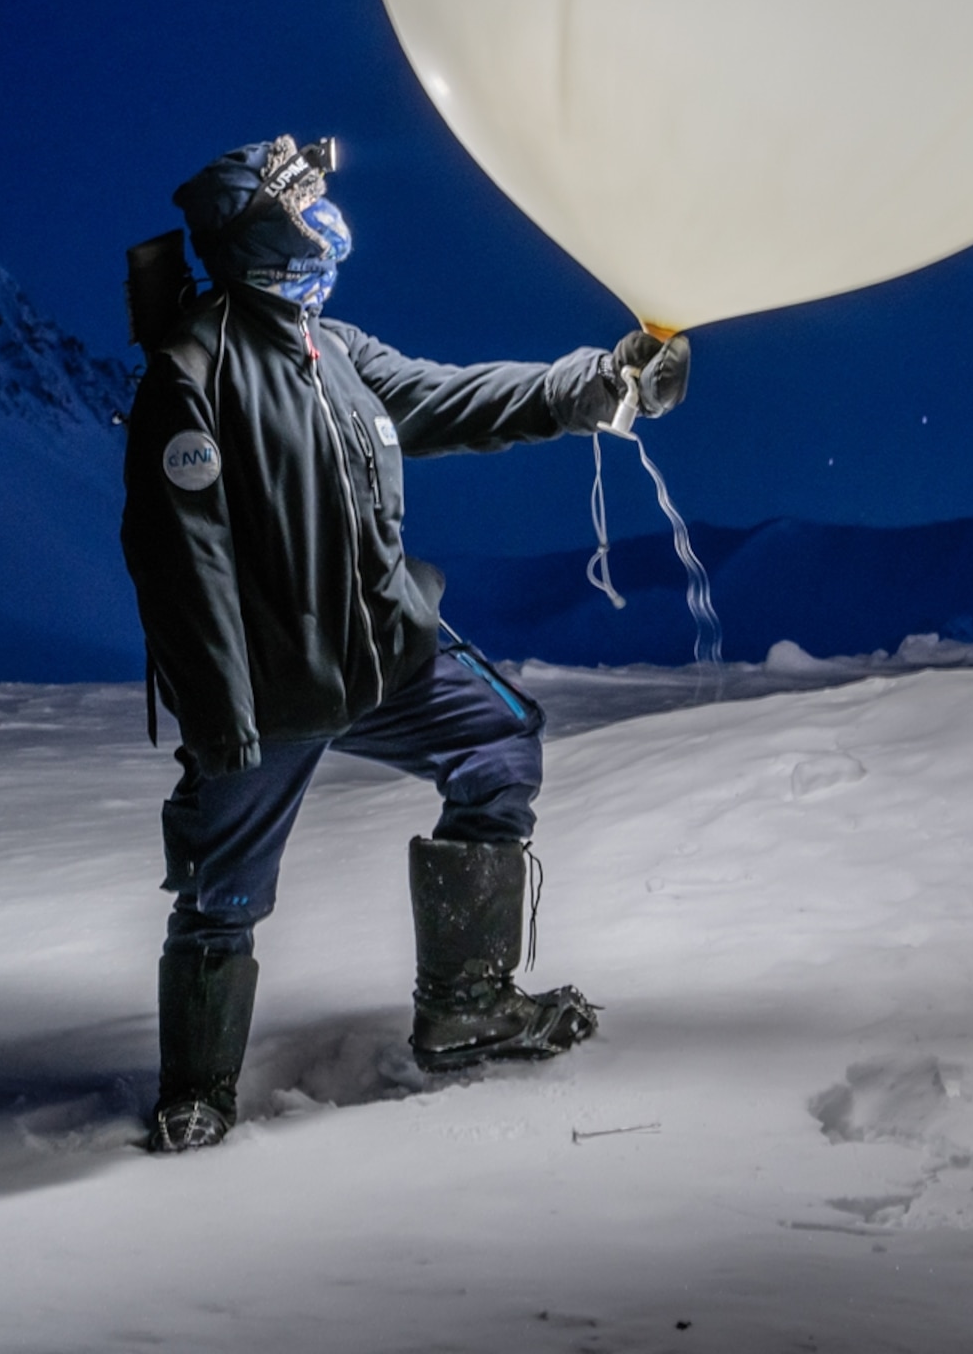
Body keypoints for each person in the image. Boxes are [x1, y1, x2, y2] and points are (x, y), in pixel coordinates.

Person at [120, 134, 690, 1155]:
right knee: (222, 890)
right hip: (265, 684)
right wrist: (220, 714)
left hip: (380, 653)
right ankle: (196, 1092)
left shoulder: (333, 348)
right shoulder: (193, 368)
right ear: (260, 224)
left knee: (500, 742)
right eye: (304, 197)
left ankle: (466, 1003)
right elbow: (180, 558)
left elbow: (453, 396)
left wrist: (599, 384)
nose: (326, 211)